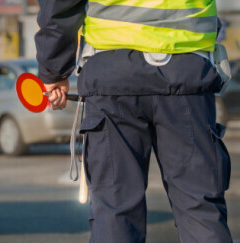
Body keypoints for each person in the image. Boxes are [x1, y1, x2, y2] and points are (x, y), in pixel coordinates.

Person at [35, 0, 233, 242]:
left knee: (115, 210)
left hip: (112, 72)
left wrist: (54, 69)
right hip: (188, 71)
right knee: (200, 208)